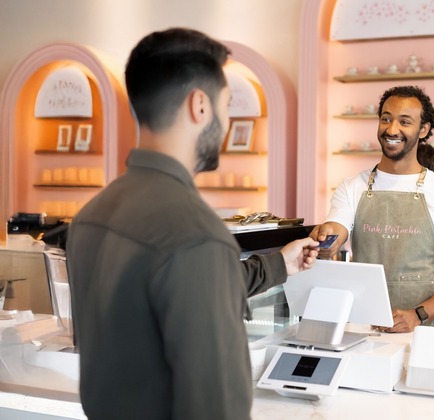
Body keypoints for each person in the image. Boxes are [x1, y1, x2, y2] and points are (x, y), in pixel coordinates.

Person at [66, 28, 319, 420]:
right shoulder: (197, 235)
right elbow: (218, 406)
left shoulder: (90, 216)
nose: (228, 120)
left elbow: (171, 292)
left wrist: (279, 265)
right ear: (200, 105)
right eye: (226, 105)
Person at [310, 85, 434, 333]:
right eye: (386, 119)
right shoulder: (352, 187)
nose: (392, 129)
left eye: (405, 122)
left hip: (422, 334)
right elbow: (337, 227)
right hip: (364, 328)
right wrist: (327, 238)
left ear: (423, 129)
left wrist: (417, 315)